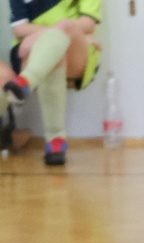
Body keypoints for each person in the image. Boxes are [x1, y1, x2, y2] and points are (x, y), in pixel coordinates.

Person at [7, 0, 102, 166]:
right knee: (55, 51)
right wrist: (53, 34)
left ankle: (25, 82)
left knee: (65, 28)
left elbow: (87, 23)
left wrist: (43, 34)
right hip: (31, 51)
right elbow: (19, 29)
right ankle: (56, 141)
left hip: (74, 47)